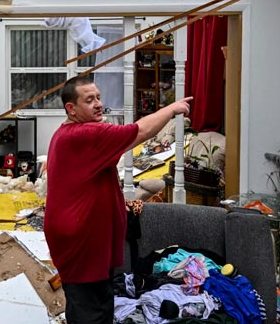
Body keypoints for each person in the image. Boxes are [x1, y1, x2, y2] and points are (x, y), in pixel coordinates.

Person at [44, 75, 192, 324]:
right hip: (82, 243)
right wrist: (172, 109)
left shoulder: (72, 133)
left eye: (99, 97)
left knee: (93, 304)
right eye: (89, 100)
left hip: (85, 240)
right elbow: (141, 131)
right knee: (91, 311)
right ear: (71, 108)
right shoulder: (86, 134)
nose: (98, 104)